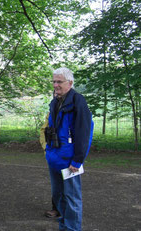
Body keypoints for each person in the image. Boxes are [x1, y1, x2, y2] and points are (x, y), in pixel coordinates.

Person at [45, 67, 93, 231]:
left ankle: (72, 228)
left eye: (59, 82)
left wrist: (78, 160)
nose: (56, 85)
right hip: (54, 157)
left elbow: (83, 132)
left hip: (69, 160)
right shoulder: (55, 102)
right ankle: (64, 226)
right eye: (54, 81)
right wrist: (48, 151)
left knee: (71, 197)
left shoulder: (78, 102)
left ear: (70, 83)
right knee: (58, 196)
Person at [40, 112, 60, 219]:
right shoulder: (52, 111)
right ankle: (56, 208)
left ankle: (68, 211)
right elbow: (44, 130)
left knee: (68, 185)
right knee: (56, 184)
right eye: (54, 93)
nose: (56, 94)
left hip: (68, 156)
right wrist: (46, 148)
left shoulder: (77, 108)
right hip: (53, 155)